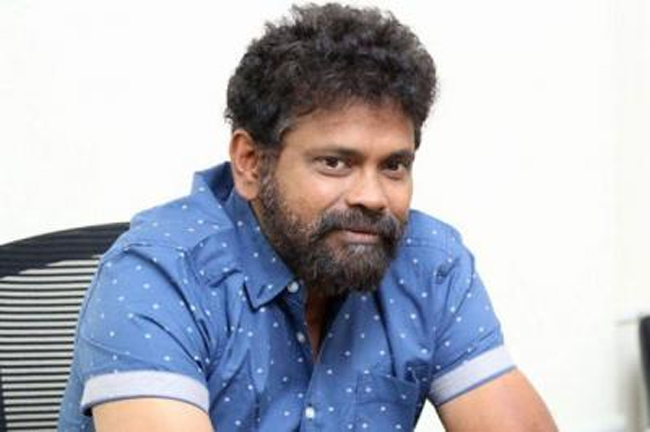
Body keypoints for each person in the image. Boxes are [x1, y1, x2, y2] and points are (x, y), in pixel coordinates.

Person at [59, 3, 557, 431]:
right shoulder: (158, 275)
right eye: (335, 163)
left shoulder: (430, 265)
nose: (372, 197)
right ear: (250, 163)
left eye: (393, 166)